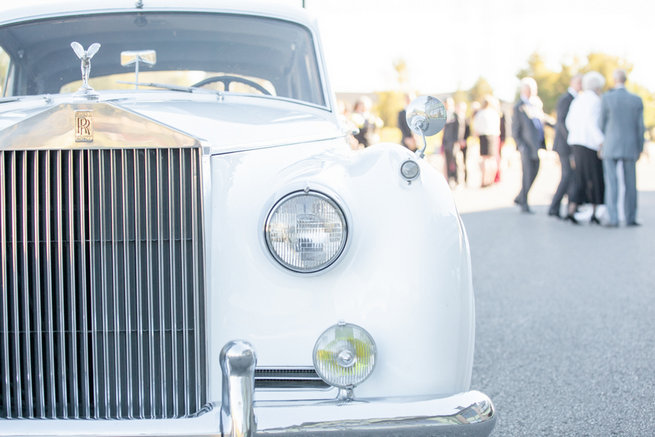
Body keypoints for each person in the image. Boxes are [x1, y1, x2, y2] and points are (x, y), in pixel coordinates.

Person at [600, 69, 645, 227]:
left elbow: (601, 123)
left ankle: (613, 217)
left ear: (614, 80)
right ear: (626, 80)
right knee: (630, 183)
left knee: (611, 182)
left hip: (611, 145)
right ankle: (630, 217)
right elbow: (640, 127)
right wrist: (640, 147)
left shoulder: (606, 98)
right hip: (630, 145)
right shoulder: (636, 100)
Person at [565, 71, 606, 225]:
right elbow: (592, 124)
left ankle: (571, 209)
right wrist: (601, 142)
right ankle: (595, 212)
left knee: (579, 177)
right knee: (594, 178)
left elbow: (569, 122)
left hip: (576, 143)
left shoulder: (578, 100)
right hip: (590, 144)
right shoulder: (595, 101)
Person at [548, 74, 583, 218]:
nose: (581, 85)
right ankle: (554, 207)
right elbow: (561, 122)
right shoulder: (566, 99)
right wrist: (570, 140)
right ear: (573, 83)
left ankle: (570, 207)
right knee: (567, 176)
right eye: (579, 82)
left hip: (570, 143)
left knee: (571, 176)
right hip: (565, 145)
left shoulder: (577, 99)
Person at [512, 77, 545, 213]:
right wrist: (520, 144)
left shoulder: (535, 104)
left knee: (535, 171)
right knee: (527, 174)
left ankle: (521, 196)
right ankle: (524, 202)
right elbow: (515, 129)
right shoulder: (519, 106)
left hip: (536, 145)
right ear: (524, 90)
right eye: (531, 88)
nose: (533, 91)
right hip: (526, 146)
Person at [473, 96, 501, 187]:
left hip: (484, 136)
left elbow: (476, 127)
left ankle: (484, 180)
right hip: (493, 136)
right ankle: (491, 179)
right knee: (492, 159)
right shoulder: (494, 113)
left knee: (485, 159)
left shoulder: (481, 113)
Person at [441, 97, 461, 186]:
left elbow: (459, 128)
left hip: (453, 142)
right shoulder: (444, 115)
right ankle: (449, 179)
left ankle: (458, 180)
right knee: (448, 161)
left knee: (455, 161)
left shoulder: (455, 115)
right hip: (446, 142)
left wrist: (457, 141)